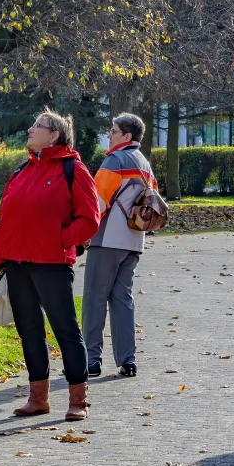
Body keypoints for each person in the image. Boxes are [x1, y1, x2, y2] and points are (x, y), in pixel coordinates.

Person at [0, 110, 102, 420]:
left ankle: (77, 401)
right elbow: (5, 219)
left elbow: (90, 219)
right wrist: (0, 258)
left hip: (52, 263)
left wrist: (61, 239)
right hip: (16, 263)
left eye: (36, 126)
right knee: (29, 331)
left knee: (66, 329)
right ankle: (38, 398)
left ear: (54, 134)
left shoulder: (73, 169)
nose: (30, 129)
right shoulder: (20, 171)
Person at [83, 112, 156, 379]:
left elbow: (96, 202)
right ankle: (128, 360)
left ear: (126, 136)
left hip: (108, 239)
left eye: (113, 131)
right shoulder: (144, 163)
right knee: (122, 299)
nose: (109, 135)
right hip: (134, 240)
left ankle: (91, 359)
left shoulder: (114, 161)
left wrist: (83, 232)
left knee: (94, 299)